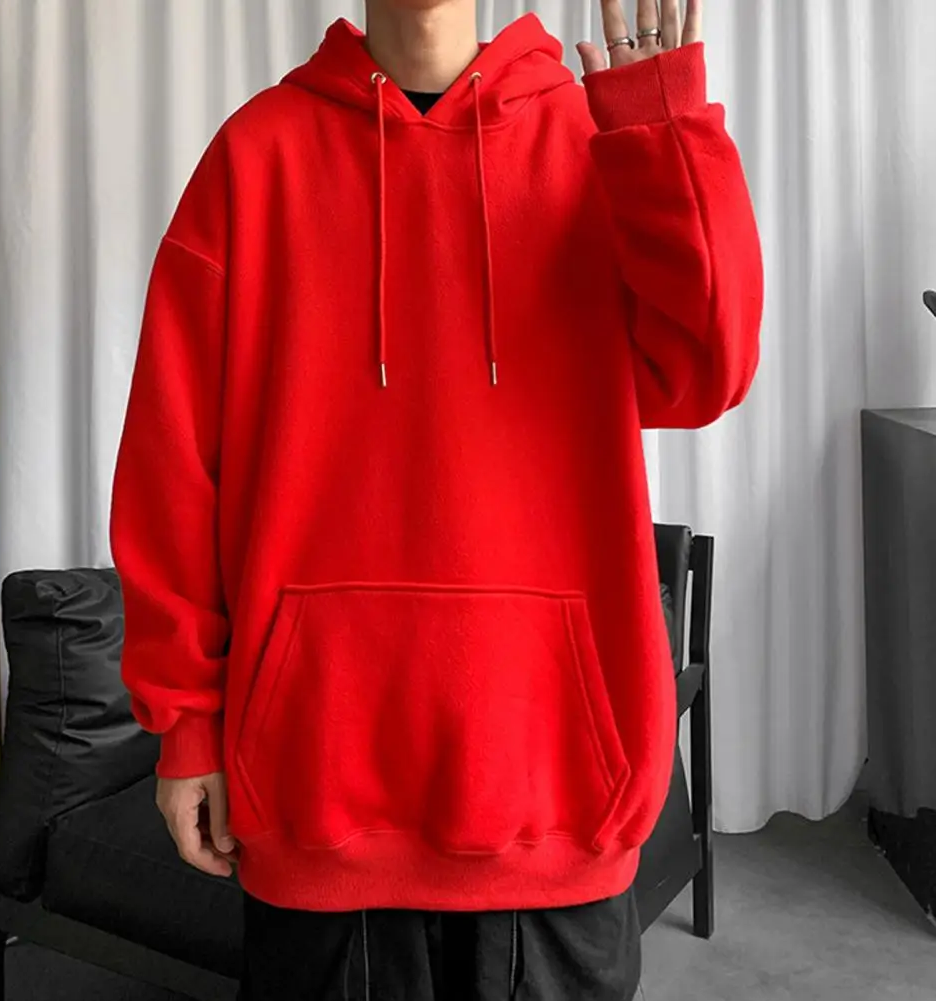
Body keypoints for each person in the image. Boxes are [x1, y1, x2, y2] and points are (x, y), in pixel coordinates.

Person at [110, 0, 761, 998]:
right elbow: (170, 466)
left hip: (553, 787)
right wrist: (185, 721)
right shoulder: (256, 154)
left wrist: (663, 134)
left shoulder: (600, 139)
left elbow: (706, 371)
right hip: (316, 789)